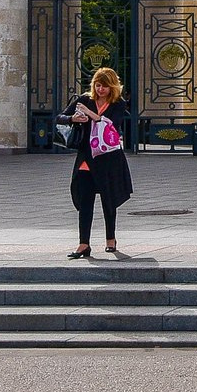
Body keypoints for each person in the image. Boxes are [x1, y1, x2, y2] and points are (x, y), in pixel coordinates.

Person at [65, 67, 134, 258]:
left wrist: (91, 115)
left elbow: (113, 123)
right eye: (97, 85)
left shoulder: (118, 103)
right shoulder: (84, 100)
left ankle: (110, 239)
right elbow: (60, 117)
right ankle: (83, 244)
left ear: (112, 87)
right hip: (86, 158)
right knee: (85, 201)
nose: (100, 89)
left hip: (108, 159)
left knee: (108, 200)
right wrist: (73, 117)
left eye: (104, 86)